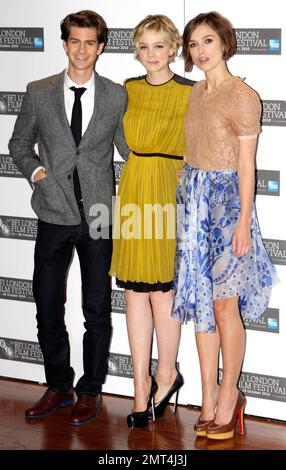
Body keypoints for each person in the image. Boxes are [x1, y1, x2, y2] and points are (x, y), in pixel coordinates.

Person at [9, 10, 129, 426]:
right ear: (64, 44)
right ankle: (59, 385)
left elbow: (130, 151)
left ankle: (90, 390)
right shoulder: (38, 91)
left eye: (89, 42)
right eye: (74, 41)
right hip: (53, 211)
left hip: (98, 213)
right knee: (46, 305)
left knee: (96, 308)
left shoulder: (116, 95)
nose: (81, 49)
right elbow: (19, 144)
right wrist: (38, 174)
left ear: (100, 46)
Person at [172, 11, 278, 440]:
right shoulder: (196, 93)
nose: (199, 51)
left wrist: (241, 223)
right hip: (195, 205)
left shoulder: (243, 96)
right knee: (201, 304)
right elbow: (194, 145)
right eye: (193, 44)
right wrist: (186, 173)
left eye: (207, 41)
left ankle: (230, 394)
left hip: (229, 206)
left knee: (223, 305)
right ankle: (208, 394)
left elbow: (247, 167)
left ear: (224, 43)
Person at [109, 15, 195, 428]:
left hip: (168, 188)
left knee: (163, 291)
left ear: (173, 48)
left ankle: (166, 375)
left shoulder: (190, 92)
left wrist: (187, 168)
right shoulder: (128, 89)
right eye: (143, 47)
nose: (150, 55)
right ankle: (139, 388)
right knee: (132, 292)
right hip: (134, 186)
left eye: (158, 46)